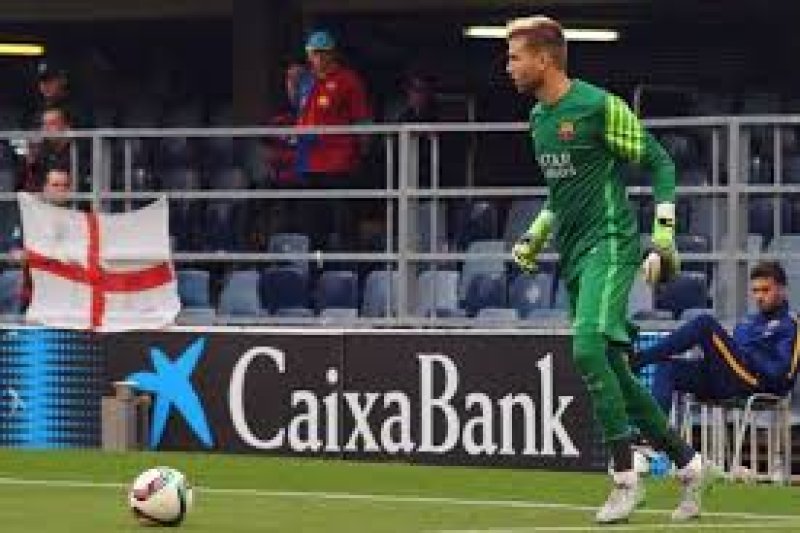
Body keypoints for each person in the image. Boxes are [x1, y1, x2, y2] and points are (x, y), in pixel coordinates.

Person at [506, 16, 709, 524]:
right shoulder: (538, 120)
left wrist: (663, 234)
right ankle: (690, 463)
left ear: (545, 59)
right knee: (615, 370)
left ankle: (625, 476)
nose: (508, 67)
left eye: (514, 56)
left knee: (588, 347)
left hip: (612, 242)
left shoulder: (598, 106)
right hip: (574, 253)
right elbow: (560, 194)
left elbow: (660, 162)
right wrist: (536, 234)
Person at [633, 261, 799, 411]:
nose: (759, 297)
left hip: (760, 383)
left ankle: (639, 359)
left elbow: (785, 375)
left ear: (781, 289)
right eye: (755, 291)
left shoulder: (790, 323)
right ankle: (657, 437)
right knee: (667, 367)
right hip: (730, 379)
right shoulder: (747, 321)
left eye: (765, 290)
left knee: (704, 324)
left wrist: (752, 360)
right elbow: (731, 357)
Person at [295, 30, 372, 248]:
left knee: (345, 222)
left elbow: (361, 119)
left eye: (323, 53)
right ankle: (317, 273)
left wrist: (362, 154)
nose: (318, 59)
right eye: (313, 53)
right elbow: (302, 116)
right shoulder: (306, 81)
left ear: (332, 54)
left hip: (339, 164)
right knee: (313, 226)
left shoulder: (348, 80)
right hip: (309, 164)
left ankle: (350, 273)